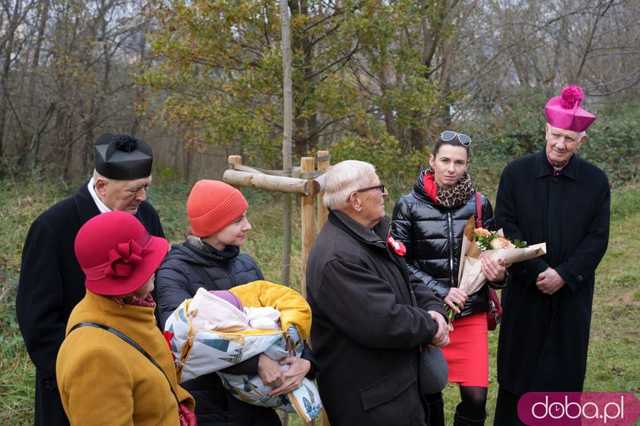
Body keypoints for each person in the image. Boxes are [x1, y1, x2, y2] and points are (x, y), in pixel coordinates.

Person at [15, 133, 165, 426]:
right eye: (134, 190)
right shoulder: (53, 227)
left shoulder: (145, 215)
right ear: (101, 185)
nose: (143, 198)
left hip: (143, 375)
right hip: (79, 380)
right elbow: (37, 321)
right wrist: (83, 370)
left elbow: (154, 290)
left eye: (146, 187)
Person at [493, 85, 610, 424]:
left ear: (581, 142)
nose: (561, 144)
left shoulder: (596, 182)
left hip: (570, 297)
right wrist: (536, 270)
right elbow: (505, 228)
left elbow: (597, 239)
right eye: (556, 135)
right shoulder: (516, 174)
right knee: (518, 378)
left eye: (570, 139)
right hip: (525, 294)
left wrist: (565, 275)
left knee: (563, 380)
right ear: (546, 131)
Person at [155, 179, 312, 426]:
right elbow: (183, 340)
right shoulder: (173, 273)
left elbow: (275, 322)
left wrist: (306, 361)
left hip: (257, 407)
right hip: (210, 408)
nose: (248, 226)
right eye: (238, 220)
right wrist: (257, 362)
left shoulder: (245, 265)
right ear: (212, 223)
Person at [306, 160, 450, 426]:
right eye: (378, 187)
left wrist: (436, 309)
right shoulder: (337, 259)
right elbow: (383, 321)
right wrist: (430, 326)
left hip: (397, 390)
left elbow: (407, 281)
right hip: (370, 403)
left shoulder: (372, 234)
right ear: (355, 200)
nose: (384, 194)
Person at [391, 131, 508, 426]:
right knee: (430, 396)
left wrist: (499, 276)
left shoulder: (481, 204)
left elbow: (490, 256)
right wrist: (440, 290)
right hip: (428, 315)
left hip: (470, 313)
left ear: (467, 165)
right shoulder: (408, 205)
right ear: (431, 161)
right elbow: (397, 263)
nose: (451, 168)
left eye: (459, 162)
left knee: (476, 399)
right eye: (444, 160)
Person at [56, 211, 195, 425]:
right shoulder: (95, 357)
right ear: (126, 270)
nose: (157, 266)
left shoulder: (129, 310)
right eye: (148, 261)